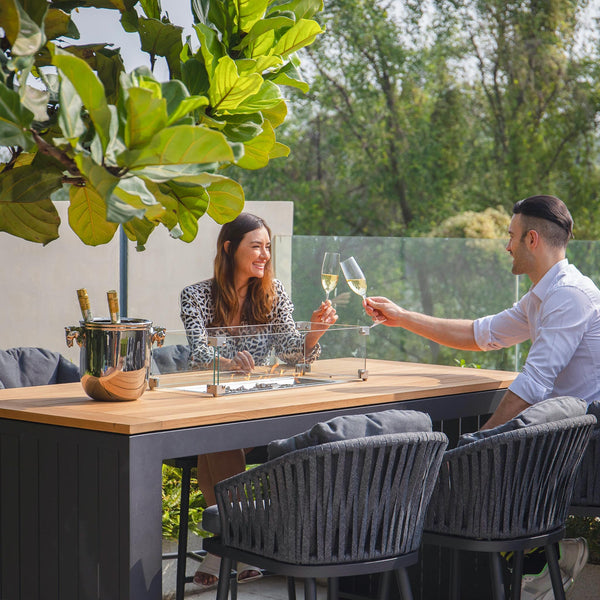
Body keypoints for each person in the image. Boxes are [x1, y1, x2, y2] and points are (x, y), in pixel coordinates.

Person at [364, 195, 600, 600]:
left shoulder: (570, 295)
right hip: (552, 434)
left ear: (531, 239)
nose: (505, 245)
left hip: (579, 446)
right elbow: (479, 334)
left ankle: (517, 568)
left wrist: (477, 442)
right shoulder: (544, 295)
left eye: (509, 236)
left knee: (458, 476)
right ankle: (537, 561)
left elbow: (532, 385)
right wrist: (402, 316)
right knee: (459, 474)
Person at [180, 212, 337, 591]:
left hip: (259, 405)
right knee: (217, 434)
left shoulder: (274, 292)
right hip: (208, 402)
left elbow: (291, 353)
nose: (265, 254)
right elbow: (198, 352)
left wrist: (313, 334)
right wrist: (226, 362)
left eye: (268, 247)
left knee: (217, 439)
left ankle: (222, 547)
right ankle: (243, 542)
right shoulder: (195, 296)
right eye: (256, 246)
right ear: (229, 248)